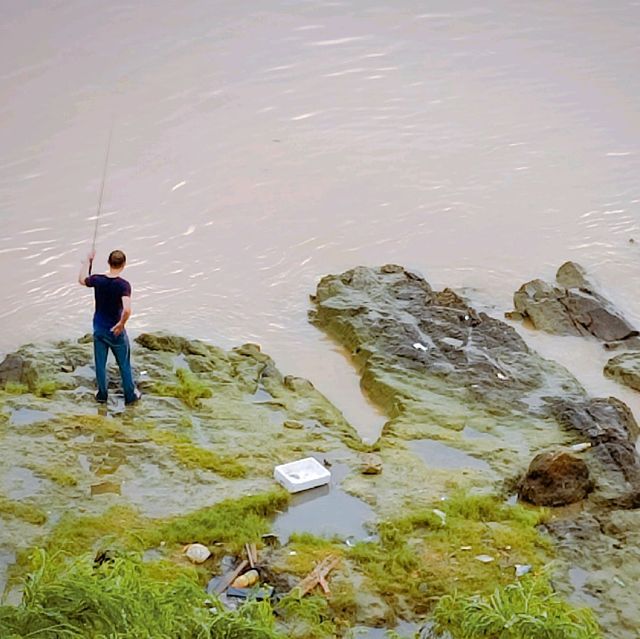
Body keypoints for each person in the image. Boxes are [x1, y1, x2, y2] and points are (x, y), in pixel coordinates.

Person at [78, 249, 139, 405]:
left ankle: (102, 395)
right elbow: (127, 309)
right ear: (124, 264)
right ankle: (130, 396)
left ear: (108, 262)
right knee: (124, 364)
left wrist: (87, 261)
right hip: (115, 331)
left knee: (100, 363)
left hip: (99, 328)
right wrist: (121, 324)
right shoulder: (123, 285)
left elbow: (81, 279)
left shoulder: (98, 280)